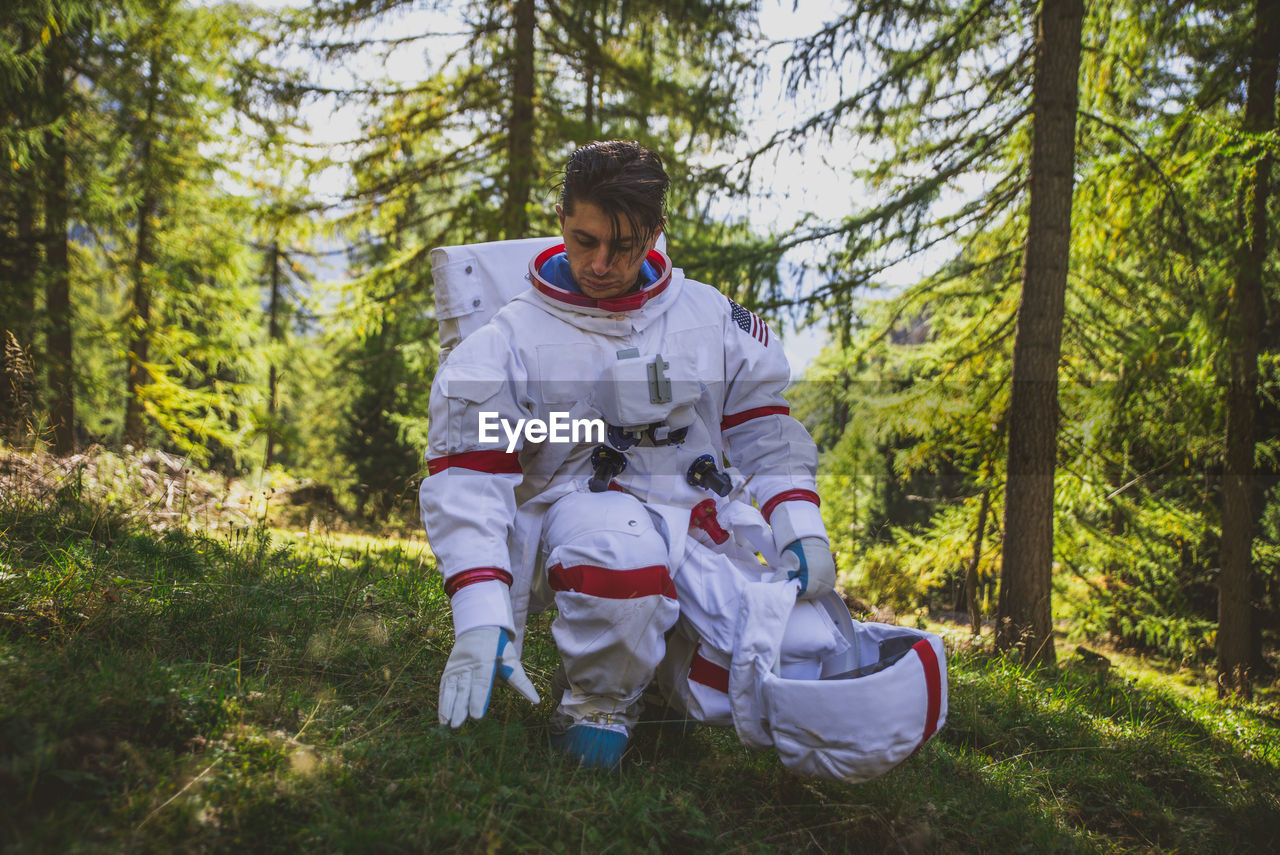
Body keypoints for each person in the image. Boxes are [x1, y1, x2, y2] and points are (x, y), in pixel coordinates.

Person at [420, 140, 841, 770]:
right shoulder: (506, 339)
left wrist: (799, 527)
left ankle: (667, 676)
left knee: (805, 652)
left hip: (700, 518)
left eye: (626, 246)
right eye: (584, 240)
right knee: (619, 558)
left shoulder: (706, 315)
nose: (600, 263)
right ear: (561, 216)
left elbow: (762, 422)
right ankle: (597, 705)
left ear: (656, 232)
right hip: (580, 511)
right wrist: (480, 609)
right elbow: (469, 476)